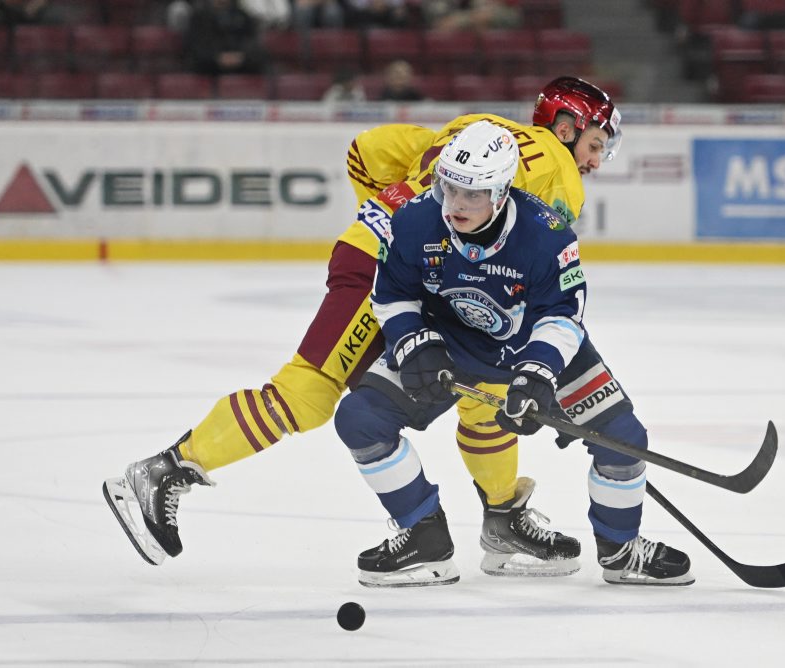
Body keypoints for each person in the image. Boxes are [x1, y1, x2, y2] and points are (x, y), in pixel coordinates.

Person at [103, 77, 619, 576]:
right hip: (393, 271)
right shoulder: (558, 174)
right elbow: (536, 274)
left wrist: (383, 216)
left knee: (485, 387)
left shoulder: (476, 128)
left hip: (390, 256)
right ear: (567, 126)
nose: (595, 161)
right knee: (307, 394)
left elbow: (368, 151)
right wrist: (548, 376)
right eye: (595, 144)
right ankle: (164, 469)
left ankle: (503, 515)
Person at [335, 119, 694, 588]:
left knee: (624, 439)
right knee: (360, 419)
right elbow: (392, 293)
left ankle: (621, 550)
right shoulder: (415, 219)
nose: (455, 205)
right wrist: (413, 341)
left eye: (473, 194)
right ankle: (425, 540)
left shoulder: (547, 235)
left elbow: (563, 316)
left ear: (502, 192)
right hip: (452, 341)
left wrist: (537, 375)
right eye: (449, 188)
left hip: (533, 344)